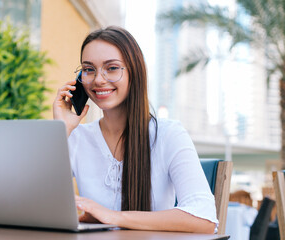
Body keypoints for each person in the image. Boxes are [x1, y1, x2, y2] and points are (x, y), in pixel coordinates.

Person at [53, 26, 218, 233]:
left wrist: (112, 217)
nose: (98, 79)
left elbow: (204, 219)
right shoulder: (76, 137)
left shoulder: (168, 134)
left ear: (134, 72)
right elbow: (32, 201)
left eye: (112, 68)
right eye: (89, 69)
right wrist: (62, 129)